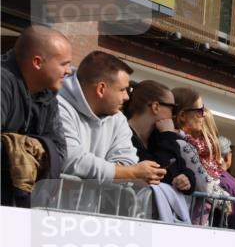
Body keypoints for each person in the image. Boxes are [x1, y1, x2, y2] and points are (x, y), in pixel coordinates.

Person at [59, 51, 165, 186]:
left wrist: (119, 173)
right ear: (101, 89)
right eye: (122, 90)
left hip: (92, 200)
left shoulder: (118, 118)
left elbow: (127, 161)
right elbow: (70, 159)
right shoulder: (58, 106)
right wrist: (131, 173)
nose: (127, 97)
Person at [2, 25, 74, 206]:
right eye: (64, 64)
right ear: (37, 62)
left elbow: (60, 153)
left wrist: (21, 147)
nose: (69, 71)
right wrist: (31, 151)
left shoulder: (48, 96)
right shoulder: (3, 82)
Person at [126, 80, 195, 195]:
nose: (173, 115)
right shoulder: (124, 135)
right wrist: (168, 135)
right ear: (156, 107)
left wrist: (187, 179)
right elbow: (157, 172)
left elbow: (183, 168)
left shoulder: (159, 136)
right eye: (173, 108)